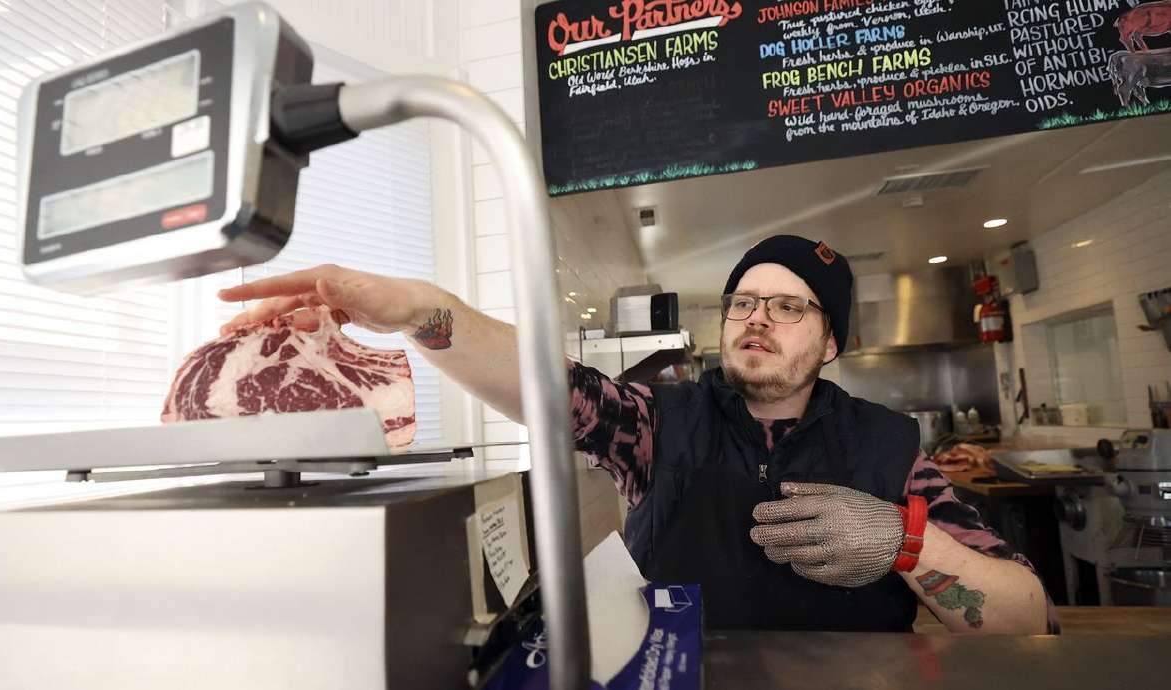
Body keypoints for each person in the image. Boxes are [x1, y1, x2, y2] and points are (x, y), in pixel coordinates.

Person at [217, 234, 1055, 634]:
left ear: (831, 340)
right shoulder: (660, 422)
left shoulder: (889, 447)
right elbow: (547, 386)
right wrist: (420, 314)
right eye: (742, 302)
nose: (757, 318)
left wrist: (907, 545)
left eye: (789, 306)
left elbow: (1026, 618)